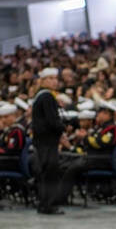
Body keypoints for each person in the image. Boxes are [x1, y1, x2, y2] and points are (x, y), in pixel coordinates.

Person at [31, 67, 65, 214]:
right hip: (48, 141)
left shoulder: (40, 96)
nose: (54, 82)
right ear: (43, 81)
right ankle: (48, 204)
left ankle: (44, 202)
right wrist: (62, 130)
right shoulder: (47, 97)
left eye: (55, 79)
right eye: (50, 79)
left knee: (44, 172)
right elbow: (53, 121)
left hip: (41, 141)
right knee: (50, 173)